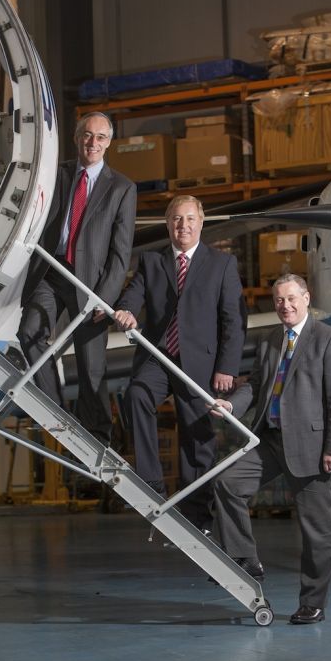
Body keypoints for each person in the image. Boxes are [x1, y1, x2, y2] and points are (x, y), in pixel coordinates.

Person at [211, 273, 331, 623]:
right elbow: (258, 384)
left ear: (306, 298)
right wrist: (232, 405)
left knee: (317, 531)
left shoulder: (329, 339)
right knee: (227, 482)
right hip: (272, 441)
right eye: (278, 300)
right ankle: (246, 557)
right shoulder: (272, 339)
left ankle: (313, 602)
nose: (285, 306)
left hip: (313, 447)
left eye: (291, 298)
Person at [114, 195, 246, 530]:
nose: (182, 226)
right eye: (175, 219)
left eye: (189, 219)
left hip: (200, 364)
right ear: (167, 223)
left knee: (197, 442)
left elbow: (233, 319)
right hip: (159, 358)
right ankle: (151, 481)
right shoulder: (152, 262)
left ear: (201, 221)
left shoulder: (222, 264)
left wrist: (227, 367)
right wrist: (126, 309)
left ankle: (197, 518)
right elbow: (134, 293)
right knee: (136, 395)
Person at [18, 112, 137, 445]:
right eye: (87, 135)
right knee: (30, 333)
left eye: (100, 137)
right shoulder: (57, 175)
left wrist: (107, 296)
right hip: (51, 272)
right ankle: (55, 411)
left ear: (109, 142)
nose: (92, 143)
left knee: (91, 366)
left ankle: (98, 435)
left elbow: (121, 252)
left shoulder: (122, 189)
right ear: (76, 137)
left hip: (91, 284)